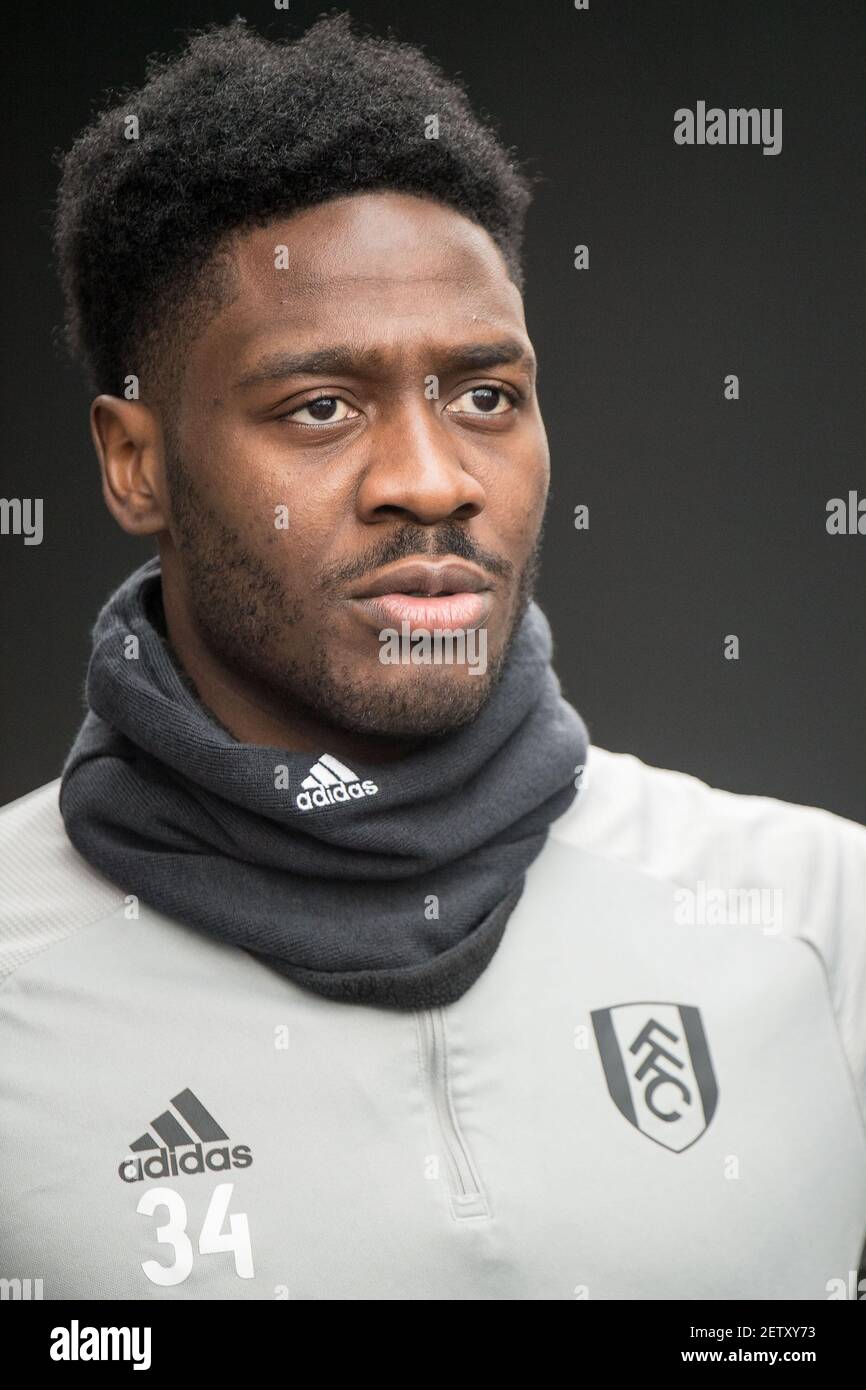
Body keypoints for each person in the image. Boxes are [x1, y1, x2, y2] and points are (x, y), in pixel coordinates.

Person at [1, 13, 864, 1301]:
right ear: (137, 463)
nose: (432, 480)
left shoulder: (817, 922)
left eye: (484, 396)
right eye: (321, 407)